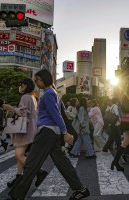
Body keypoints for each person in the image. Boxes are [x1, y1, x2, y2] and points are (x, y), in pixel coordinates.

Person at [8, 69, 90, 200]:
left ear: (45, 79)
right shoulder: (53, 93)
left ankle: (16, 196)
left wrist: (65, 132)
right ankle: (81, 189)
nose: (36, 83)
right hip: (51, 133)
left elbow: (56, 114)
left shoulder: (48, 94)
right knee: (63, 163)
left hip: (47, 133)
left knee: (31, 164)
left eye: (38, 80)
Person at [3, 78, 38, 188]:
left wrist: (11, 108)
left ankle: (39, 172)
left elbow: (22, 113)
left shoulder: (25, 97)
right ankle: (18, 177)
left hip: (23, 129)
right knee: (21, 155)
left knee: (18, 155)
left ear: (26, 86)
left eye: (22, 86)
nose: (20, 88)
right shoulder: (33, 97)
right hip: (30, 127)